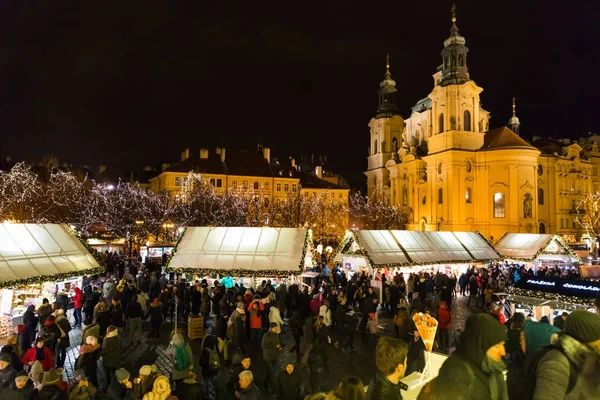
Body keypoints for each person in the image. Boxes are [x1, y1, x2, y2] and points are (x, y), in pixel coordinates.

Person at [426, 313, 508, 400]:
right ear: (480, 346)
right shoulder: (455, 372)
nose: (503, 352)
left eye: (503, 345)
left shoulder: (495, 369)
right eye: (496, 346)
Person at [262, 322, 282, 394]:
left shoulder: (276, 335)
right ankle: (274, 389)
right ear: (271, 328)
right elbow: (264, 345)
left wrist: (279, 347)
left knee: (269, 372)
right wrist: (274, 347)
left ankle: (265, 386)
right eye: (275, 328)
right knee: (272, 374)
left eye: (277, 328)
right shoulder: (267, 336)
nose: (276, 329)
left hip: (274, 356)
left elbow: (278, 343)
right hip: (268, 357)